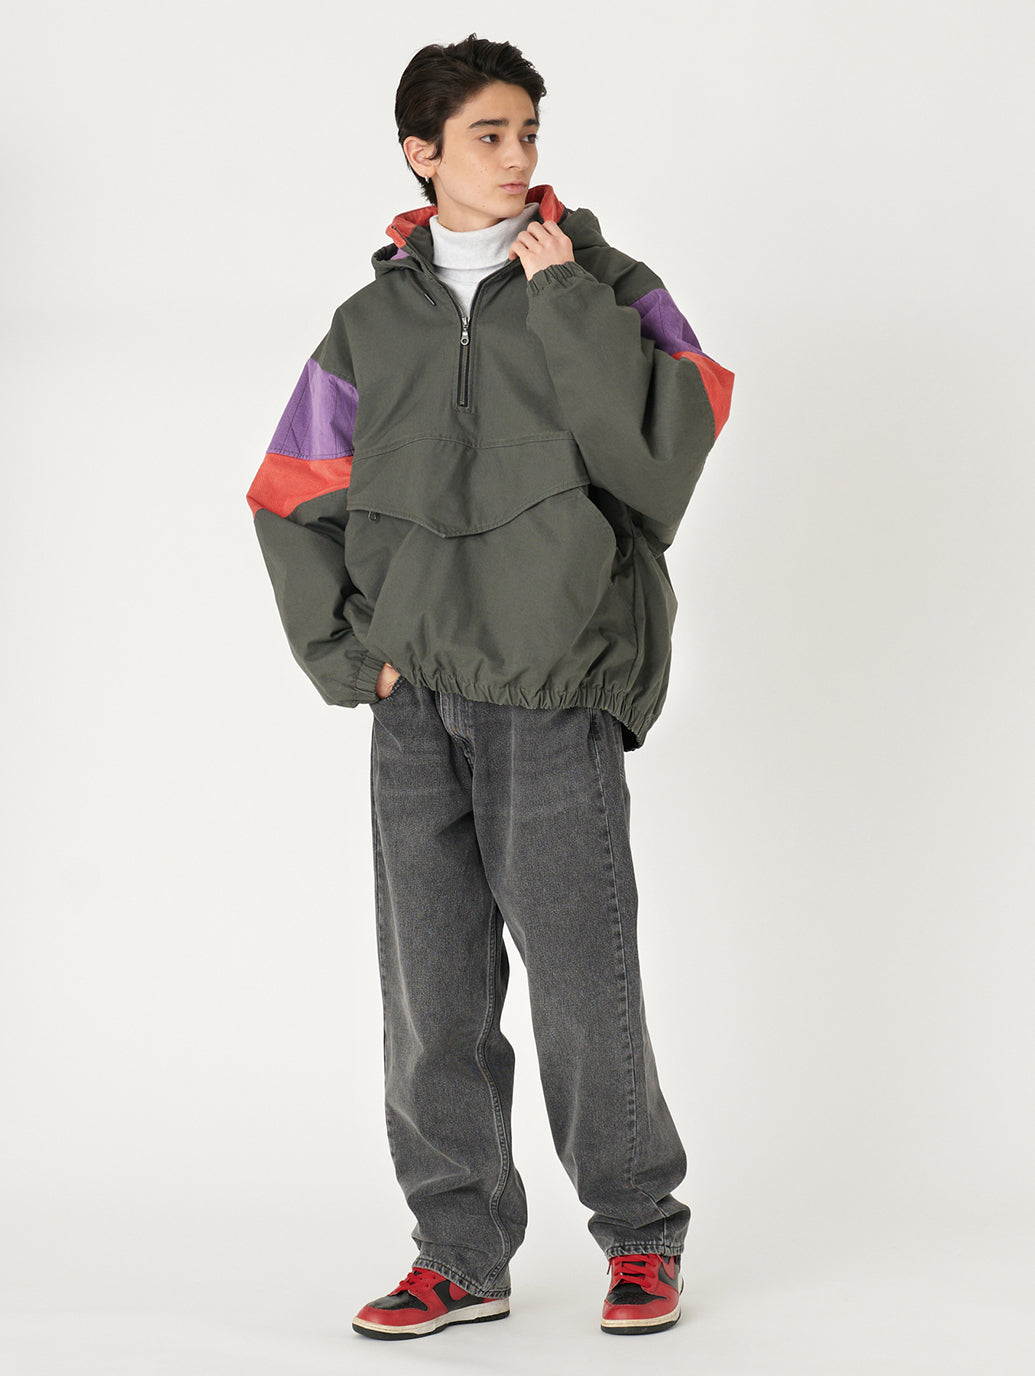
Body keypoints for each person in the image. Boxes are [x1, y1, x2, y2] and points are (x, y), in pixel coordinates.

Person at [246, 33, 733, 1341]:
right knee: (432, 1003)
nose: (518, 157)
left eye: (528, 133)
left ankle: (641, 1237)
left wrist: (565, 298)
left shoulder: (607, 283)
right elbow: (291, 495)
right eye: (489, 135)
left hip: (553, 684)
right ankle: (458, 1255)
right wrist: (351, 657)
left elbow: (662, 462)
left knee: (584, 985)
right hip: (414, 701)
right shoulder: (369, 326)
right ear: (423, 153)